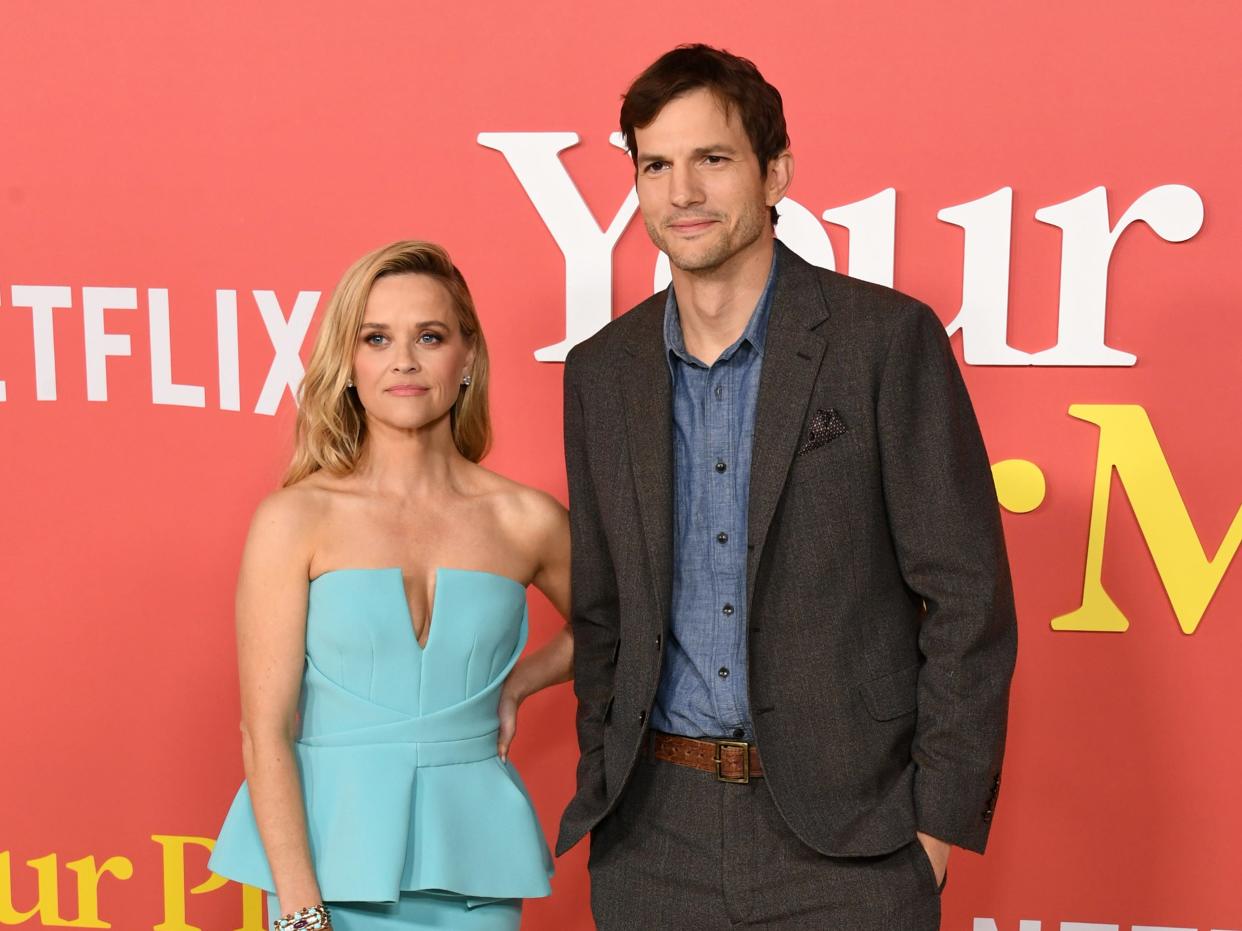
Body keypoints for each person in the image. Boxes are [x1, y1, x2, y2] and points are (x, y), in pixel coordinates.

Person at [557, 45, 1018, 929]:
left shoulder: (883, 341)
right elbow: (603, 609)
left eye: (712, 159)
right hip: (654, 837)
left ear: (777, 173)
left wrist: (934, 825)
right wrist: (605, 782)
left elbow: (968, 598)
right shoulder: (600, 373)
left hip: (851, 841)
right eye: (656, 164)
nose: (681, 191)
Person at [209, 240, 572, 931]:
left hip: (474, 866)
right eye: (376, 338)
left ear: (467, 357)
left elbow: (623, 626)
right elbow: (264, 731)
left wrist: (520, 682)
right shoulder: (295, 518)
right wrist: (300, 912)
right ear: (349, 362)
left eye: (429, 336)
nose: (403, 359)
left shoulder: (525, 520)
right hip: (321, 870)